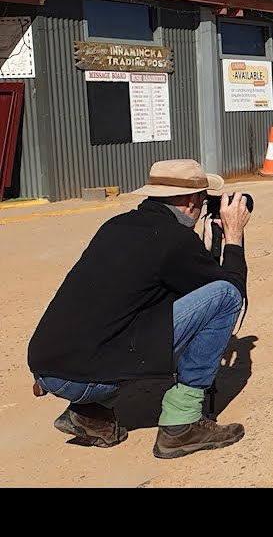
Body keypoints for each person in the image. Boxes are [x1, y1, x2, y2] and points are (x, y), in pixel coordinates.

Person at [27, 158, 251, 459]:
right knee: (224, 296)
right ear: (188, 201)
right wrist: (233, 237)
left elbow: (174, 289)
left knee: (130, 318)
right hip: (81, 378)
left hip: (48, 366)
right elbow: (229, 290)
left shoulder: (118, 226)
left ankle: (90, 416)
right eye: (202, 198)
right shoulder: (174, 240)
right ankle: (182, 424)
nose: (202, 205)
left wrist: (205, 246)